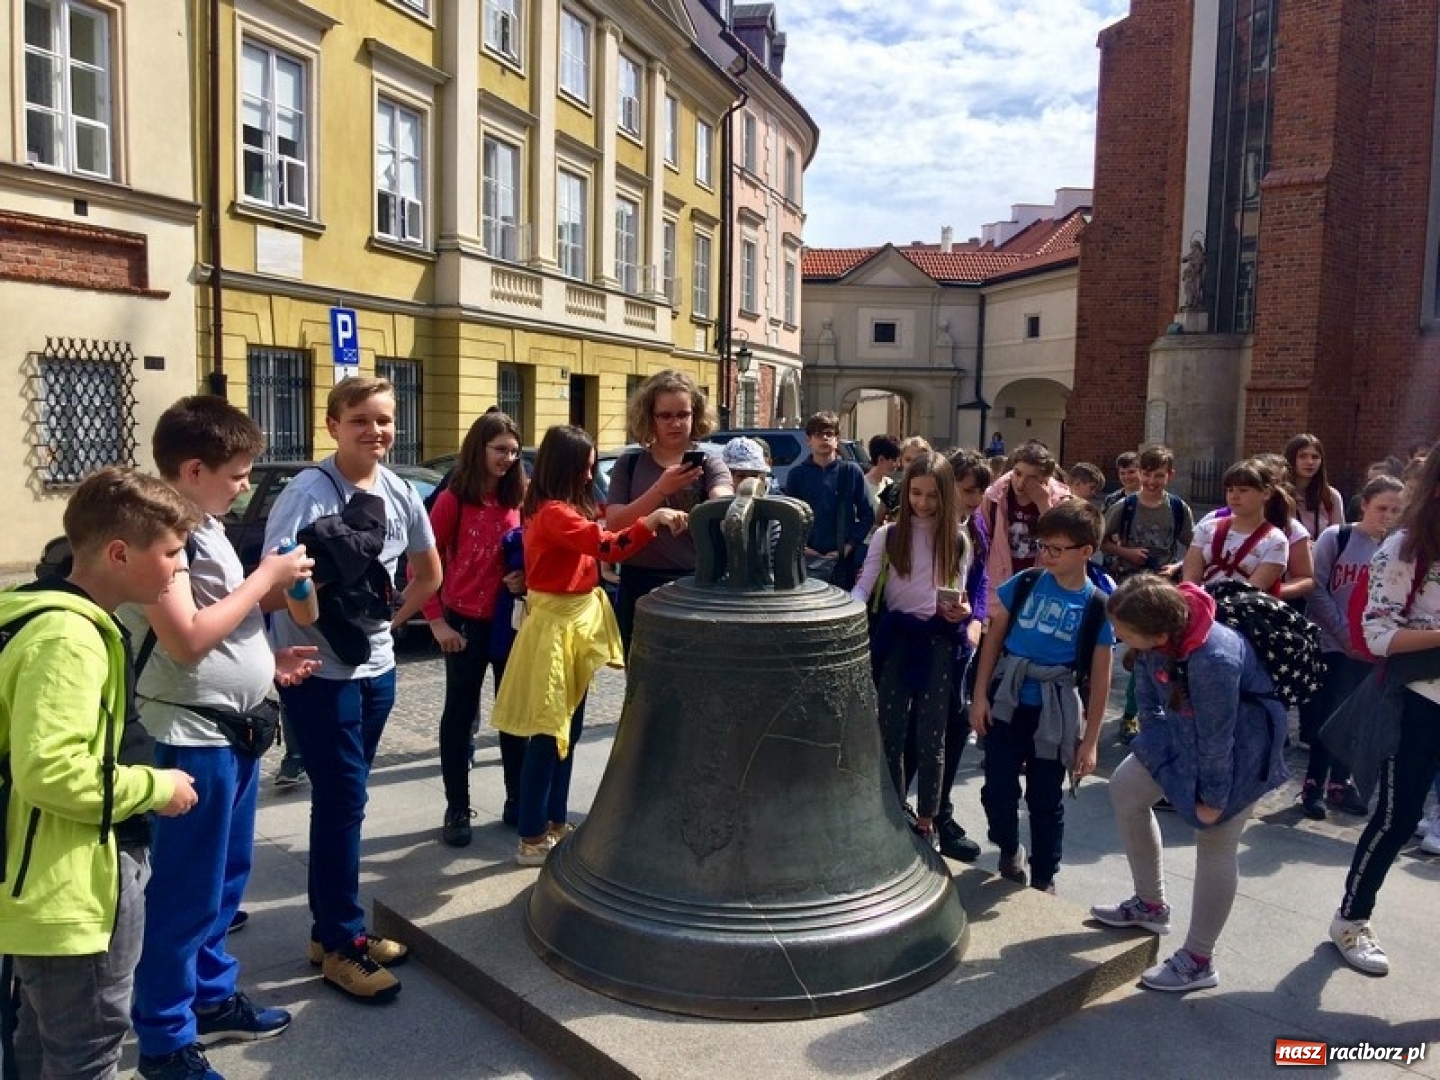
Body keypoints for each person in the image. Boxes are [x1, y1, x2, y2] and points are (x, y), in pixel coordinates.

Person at [122, 397, 320, 1080]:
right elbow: (185, 638)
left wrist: (271, 660)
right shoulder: (157, 534)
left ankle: (209, 997)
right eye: (238, 473)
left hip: (229, 732)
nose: (246, 485)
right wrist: (267, 577)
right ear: (194, 467)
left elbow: (224, 622)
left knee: (223, 886)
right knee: (183, 893)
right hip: (188, 736)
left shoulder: (202, 527)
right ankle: (165, 1037)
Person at [0, 468, 201, 1080]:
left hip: (44, 885)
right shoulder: (69, 636)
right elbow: (53, 772)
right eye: (170, 554)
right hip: (70, 893)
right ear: (119, 553)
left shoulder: (40, 613)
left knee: (36, 1044)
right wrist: (158, 787)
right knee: (87, 1052)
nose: (176, 569)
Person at [263, 376, 442, 1003]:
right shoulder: (307, 494)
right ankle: (341, 942)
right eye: (361, 420)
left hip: (378, 670)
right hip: (320, 672)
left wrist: (389, 627)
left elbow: (429, 572)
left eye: (385, 420)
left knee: (345, 801)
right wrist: (306, 619)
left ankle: (330, 932)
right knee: (344, 801)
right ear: (333, 423)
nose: (375, 432)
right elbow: (274, 580)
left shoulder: (397, 490)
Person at [493, 425, 687, 865]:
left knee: (568, 731)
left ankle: (555, 823)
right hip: (557, 630)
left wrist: (647, 504)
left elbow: (606, 523)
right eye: (586, 464)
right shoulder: (556, 513)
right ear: (567, 466)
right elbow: (608, 545)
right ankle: (530, 835)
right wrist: (652, 519)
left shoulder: (561, 507)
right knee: (550, 732)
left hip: (571, 625)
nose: (590, 472)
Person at [1090, 573, 1289, 992]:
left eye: (1123, 631)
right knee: (1126, 786)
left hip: (1242, 751)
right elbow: (1147, 702)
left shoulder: (1213, 658)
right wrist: (1156, 750)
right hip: (1184, 733)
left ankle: (1199, 959)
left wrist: (1213, 798)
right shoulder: (1157, 637)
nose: (1116, 635)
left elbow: (1219, 739)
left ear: (1158, 632)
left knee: (1215, 840)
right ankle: (1150, 904)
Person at [1329, 444, 1440, 977]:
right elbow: (1378, 635)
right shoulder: (1404, 549)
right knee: (1399, 819)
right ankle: (1351, 919)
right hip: (1418, 703)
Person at [969, 500, 1114, 893]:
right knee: (997, 788)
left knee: (1045, 799)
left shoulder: (1098, 605)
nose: (1044, 554)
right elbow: (993, 641)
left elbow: (1101, 680)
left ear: (1086, 551)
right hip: (1007, 702)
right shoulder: (1026, 583)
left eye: (1055, 548)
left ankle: (1045, 875)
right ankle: (1008, 847)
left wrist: (1091, 741)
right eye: (1042, 545)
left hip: (1055, 712)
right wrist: (979, 697)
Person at [852, 453, 969, 845]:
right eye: (916, 493)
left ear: (945, 497)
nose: (922, 503)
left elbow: (960, 591)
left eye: (932, 495)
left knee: (932, 732)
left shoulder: (957, 539)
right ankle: (892, 806)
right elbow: (865, 585)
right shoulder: (888, 535)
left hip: (937, 639)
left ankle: (927, 818)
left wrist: (962, 611)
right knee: (889, 726)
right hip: (897, 636)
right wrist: (844, 613)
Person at [423, 410, 527, 848]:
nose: (507, 458)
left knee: (513, 716)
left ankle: (516, 799)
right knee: (460, 716)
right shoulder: (453, 499)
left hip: (508, 622)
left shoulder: (516, 498)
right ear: (478, 448)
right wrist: (437, 621)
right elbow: (422, 564)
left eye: (513, 451)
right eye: (499, 449)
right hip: (462, 624)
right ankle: (457, 807)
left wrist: (523, 576)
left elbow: (527, 552)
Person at [1297, 476, 1406, 821]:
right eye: (1381, 508)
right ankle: (1314, 781)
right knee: (1328, 711)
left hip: (1375, 648)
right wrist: (1344, 634)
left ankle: (1340, 784)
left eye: (1394, 510)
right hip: (1334, 642)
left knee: (1355, 718)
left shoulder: (1400, 547)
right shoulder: (1338, 537)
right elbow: (1316, 589)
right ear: (1364, 506)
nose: (1387, 516)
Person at [605, 370, 732, 653]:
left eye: (683, 414)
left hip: (695, 584)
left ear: (695, 416)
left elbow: (723, 504)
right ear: (650, 417)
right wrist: (660, 490)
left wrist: (715, 504)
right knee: (641, 682)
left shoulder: (710, 464)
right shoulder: (629, 464)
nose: (675, 423)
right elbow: (613, 525)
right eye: (665, 415)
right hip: (638, 582)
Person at [1101, 446, 1195, 744]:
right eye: (1146, 474)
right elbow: (1100, 540)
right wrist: (1126, 551)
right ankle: (1132, 713)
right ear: (1138, 473)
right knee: (1134, 653)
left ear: (1170, 475)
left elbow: (1195, 547)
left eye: (1159, 475)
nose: (1152, 481)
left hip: (1160, 590)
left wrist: (1178, 565)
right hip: (1128, 588)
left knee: (1152, 654)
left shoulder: (1178, 508)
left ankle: (1142, 711)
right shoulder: (1125, 506)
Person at [783, 411, 874, 588]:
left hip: (843, 560)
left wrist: (849, 545)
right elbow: (789, 517)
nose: (824, 439)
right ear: (809, 440)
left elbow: (867, 514)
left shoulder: (850, 471)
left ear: (837, 439)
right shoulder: (797, 475)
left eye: (829, 434)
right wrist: (801, 547)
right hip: (807, 559)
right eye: (818, 434)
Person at [979, 441, 1072, 612]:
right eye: (1018, 473)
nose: (1021, 483)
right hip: (999, 584)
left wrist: (1043, 503)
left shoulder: (1061, 501)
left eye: (1031, 478)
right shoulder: (995, 497)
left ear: (1045, 479)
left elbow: (1062, 542)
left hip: (1041, 586)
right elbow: (982, 540)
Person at [1183, 459, 1291, 594]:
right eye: (1230, 490)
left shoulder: (1275, 540)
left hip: (1245, 609)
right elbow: (1190, 581)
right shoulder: (1206, 528)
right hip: (1202, 606)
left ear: (1266, 493)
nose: (1234, 496)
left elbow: (1254, 591)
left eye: (1243, 490)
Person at [1286, 433, 1346, 541]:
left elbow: (1339, 537)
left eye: (1315, 457)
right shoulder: (1280, 496)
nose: (1310, 462)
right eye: (1302, 456)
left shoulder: (1330, 496)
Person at [864, 434, 901, 525]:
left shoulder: (890, 484)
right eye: (894, 460)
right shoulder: (861, 485)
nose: (898, 465)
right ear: (881, 459)